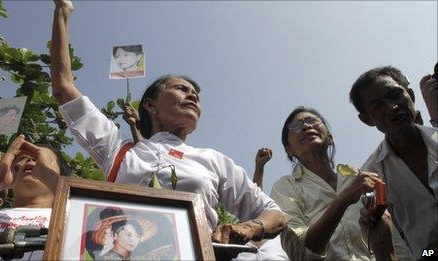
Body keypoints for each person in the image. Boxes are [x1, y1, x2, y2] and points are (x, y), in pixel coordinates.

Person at [50, 1, 288, 259]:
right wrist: (63, 11)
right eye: (181, 89)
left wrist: (249, 227)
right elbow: (64, 88)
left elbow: (274, 213)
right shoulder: (119, 151)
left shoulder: (214, 160)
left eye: (196, 94)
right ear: (150, 104)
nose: (193, 96)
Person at [270, 106, 412, 260]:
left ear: (330, 138)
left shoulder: (359, 178)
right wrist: (343, 199)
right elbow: (298, 250)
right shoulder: (285, 187)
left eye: (312, 120)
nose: (306, 126)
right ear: (289, 150)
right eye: (296, 126)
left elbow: (394, 241)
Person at [350, 66, 437, 259]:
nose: (392, 107)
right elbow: (398, 247)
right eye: (378, 105)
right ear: (367, 119)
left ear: (411, 95)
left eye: (395, 95)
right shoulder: (373, 175)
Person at [0, 135, 71, 260]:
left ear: (61, 175)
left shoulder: (69, 219)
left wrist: (49, 176)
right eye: (24, 158)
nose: (31, 162)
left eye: (41, 159)